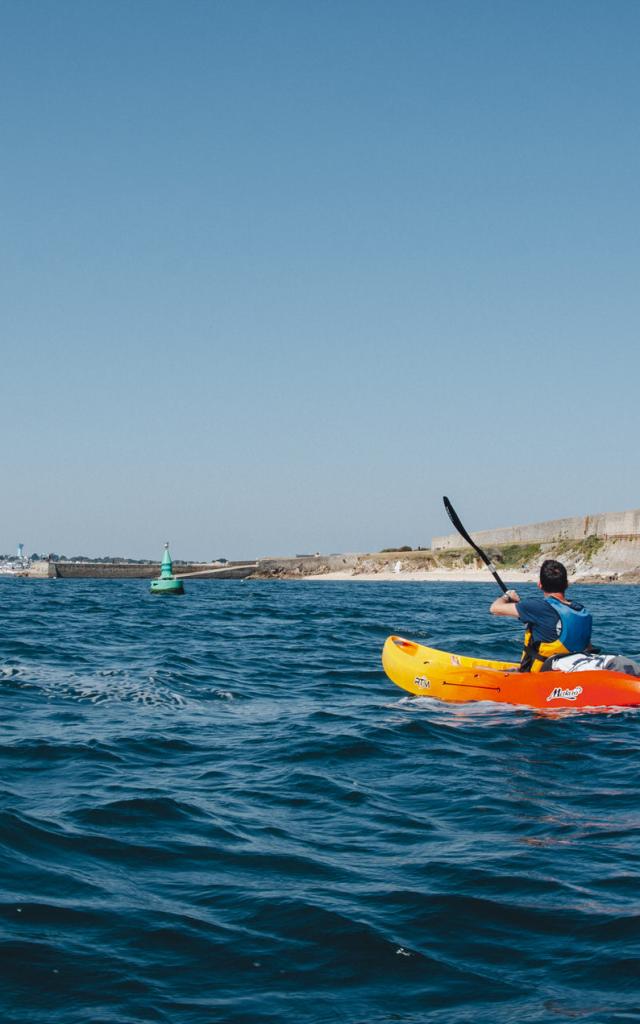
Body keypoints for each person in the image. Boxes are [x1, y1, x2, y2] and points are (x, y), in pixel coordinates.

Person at [489, 559, 592, 672]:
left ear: (540, 585)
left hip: (537, 676)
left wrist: (508, 596)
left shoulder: (537, 607)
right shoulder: (581, 611)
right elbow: (587, 647)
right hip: (571, 673)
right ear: (567, 584)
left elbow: (494, 608)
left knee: (481, 670)